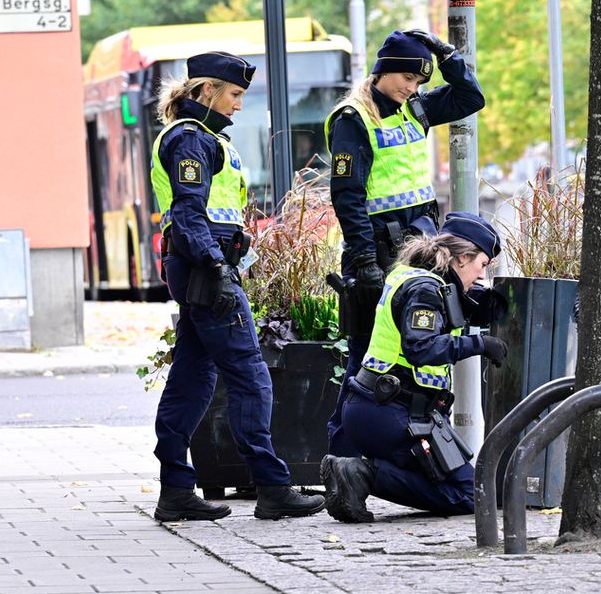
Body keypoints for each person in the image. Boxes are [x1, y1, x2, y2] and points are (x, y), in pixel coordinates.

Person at [149, 51, 325, 521]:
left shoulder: (203, 137)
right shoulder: (190, 139)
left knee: (193, 378)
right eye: (234, 94)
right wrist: (217, 268)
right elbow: (189, 214)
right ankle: (272, 487)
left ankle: (175, 490)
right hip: (205, 269)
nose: (239, 104)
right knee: (250, 374)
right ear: (207, 90)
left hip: (202, 267)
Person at [324, 29, 486, 457]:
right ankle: (341, 457)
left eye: (418, 82)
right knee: (365, 358)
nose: (412, 88)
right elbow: (347, 196)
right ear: (384, 71)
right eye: (407, 78)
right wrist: (364, 260)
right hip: (377, 253)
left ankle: (404, 455)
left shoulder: (415, 108)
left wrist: (447, 56)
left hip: (419, 251)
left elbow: (470, 98)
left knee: (416, 350)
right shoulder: (353, 119)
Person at [319, 212, 509, 522]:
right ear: (462, 258)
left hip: (380, 408)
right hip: (393, 415)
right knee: (472, 495)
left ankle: (362, 474)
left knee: (456, 483)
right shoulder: (425, 289)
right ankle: (362, 474)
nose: (481, 274)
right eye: (483, 264)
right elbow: (421, 347)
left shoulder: (416, 277)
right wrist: (480, 345)